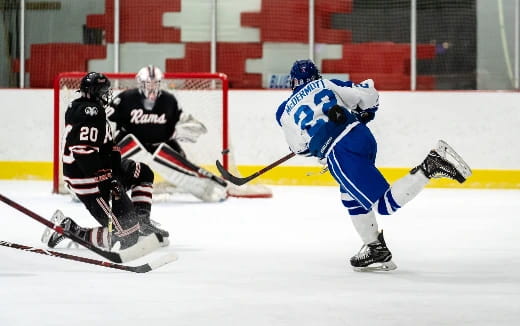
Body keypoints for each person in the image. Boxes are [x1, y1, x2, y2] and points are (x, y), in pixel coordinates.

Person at [275, 59, 472, 272]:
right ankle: (375, 248)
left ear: (292, 82)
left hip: (340, 152)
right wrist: (364, 113)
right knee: (350, 196)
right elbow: (370, 96)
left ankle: (430, 166)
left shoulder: (284, 112)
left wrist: (317, 144)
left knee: (383, 205)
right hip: (361, 137)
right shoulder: (327, 84)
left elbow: (300, 149)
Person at [42, 72, 169, 253]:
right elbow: (83, 152)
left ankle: (142, 222)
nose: (107, 93)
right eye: (103, 90)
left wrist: (115, 172)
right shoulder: (90, 112)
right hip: (89, 182)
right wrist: (107, 180)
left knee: (143, 172)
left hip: (102, 173)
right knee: (127, 237)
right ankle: (71, 229)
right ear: (94, 92)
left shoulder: (91, 109)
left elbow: (106, 148)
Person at [106, 65, 228, 202]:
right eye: (148, 83)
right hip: (130, 145)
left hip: (161, 145)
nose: (152, 87)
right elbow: (105, 120)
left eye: (155, 83)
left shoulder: (169, 100)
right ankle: (95, 187)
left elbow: (186, 123)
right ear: (140, 82)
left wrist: (184, 129)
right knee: (106, 163)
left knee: (184, 164)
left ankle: (211, 187)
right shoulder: (126, 98)